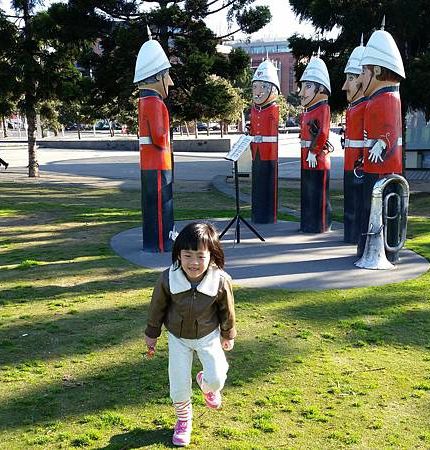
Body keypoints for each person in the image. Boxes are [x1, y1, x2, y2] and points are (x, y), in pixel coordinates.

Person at [144, 221, 236, 447]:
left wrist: (228, 334)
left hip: (208, 336)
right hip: (178, 338)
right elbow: (157, 308)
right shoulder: (168, 278)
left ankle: (205, 383)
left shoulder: (220, 280)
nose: (193, 263)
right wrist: (152, 333)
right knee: (178, 385)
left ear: (211, 256)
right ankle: (183, 421)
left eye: (200, 256)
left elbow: (227, 310)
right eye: (187, 256)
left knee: (217, 379)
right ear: (178, 255)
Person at [356, 18, 405, 262]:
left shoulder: (388, 98)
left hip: (385, 167)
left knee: (386, 211)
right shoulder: (375, 100)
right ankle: (367, 250)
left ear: (376, 70)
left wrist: (382, 142)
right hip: (372, 166)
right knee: (369, 209)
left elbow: (391, 127)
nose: (359, 78)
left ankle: (387, 253)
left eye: (363, 71)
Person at [134, 26, 175, 253]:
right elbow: (160, 139)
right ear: (158, 76)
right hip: (159, 164)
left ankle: (158, 240)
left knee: (153, 204)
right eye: (167, 75)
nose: (170, 82)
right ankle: (162, 243)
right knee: (160, 204)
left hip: (147, 164)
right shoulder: (155, 103)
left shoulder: (143, 102)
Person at [299, 52, 332, 233]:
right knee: (307, 191)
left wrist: (313, 151)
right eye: (303, 86)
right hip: (307, 154)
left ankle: (319, 224)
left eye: (308, 86)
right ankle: (308, 223)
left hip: (316, 156)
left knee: (317, 191)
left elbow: (323, 132)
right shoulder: (308, 111)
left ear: (321, 89)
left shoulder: (323, 108)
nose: (302, 92)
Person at [342, 37, 367, 244]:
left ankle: (355, 235)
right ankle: (349, 234)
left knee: (358, 201)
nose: (345, 86)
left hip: (358, 161)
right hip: (350, 159)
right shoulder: (353, 107)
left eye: (351, 78)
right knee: (350, 200)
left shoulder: (366, 106)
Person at [250, 59, 280, 224]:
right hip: (256, 150)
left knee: (268, 183)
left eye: (263, 87)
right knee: (257, 183)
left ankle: (267, 216)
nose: (258, 91)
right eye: (255, 87)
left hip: (269, 151)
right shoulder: (254, 109)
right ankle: (258, 214)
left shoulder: (273, 109)